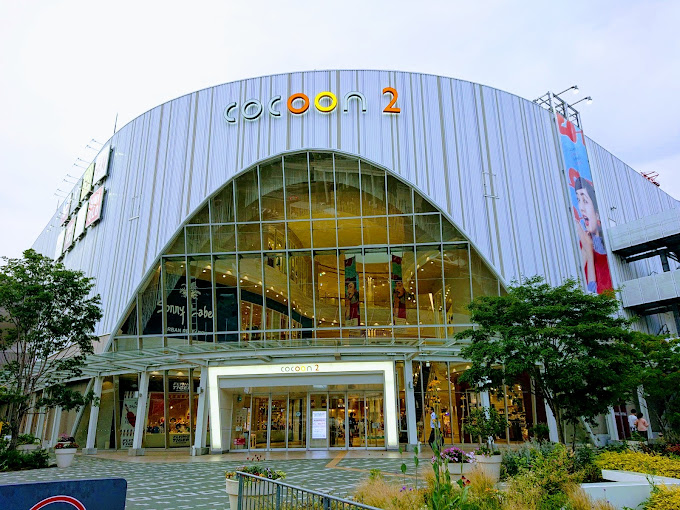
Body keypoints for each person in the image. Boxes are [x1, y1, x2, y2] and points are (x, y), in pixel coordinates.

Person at [574, 177, 613, 294]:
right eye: (578, 200)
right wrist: (588, 250)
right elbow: (581, 285)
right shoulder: (583, 245)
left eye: (585, 201)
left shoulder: (609, 247)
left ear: (597, 213)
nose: (581, 208)